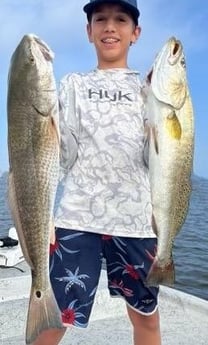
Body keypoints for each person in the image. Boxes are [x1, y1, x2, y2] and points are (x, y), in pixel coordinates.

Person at [33, 0, 161, 344]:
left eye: (121, 19)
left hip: (135, 221)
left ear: (135, 33)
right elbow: (61, 154)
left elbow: (159, 158)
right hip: (76, 218)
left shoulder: (151, 88)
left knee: (146, 317)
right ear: (88, 31)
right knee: (54, 317)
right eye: (100, 19)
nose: (109, 26)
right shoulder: (73, 83)